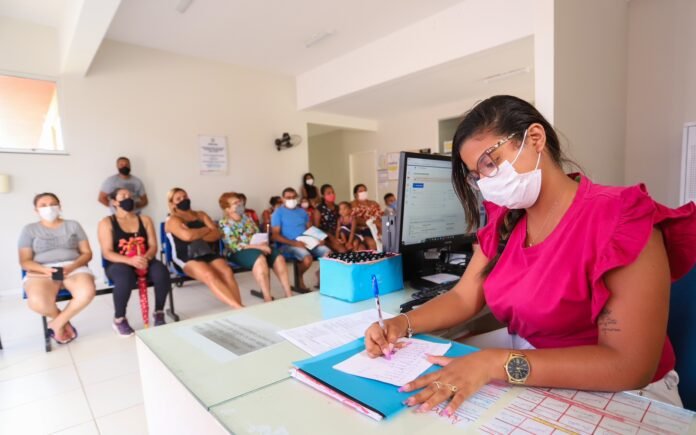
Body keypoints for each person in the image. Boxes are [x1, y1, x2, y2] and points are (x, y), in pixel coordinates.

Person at [365, 95, 696, 414]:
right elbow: (464, 297)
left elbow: (628, 365)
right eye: (477, 175)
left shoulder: (621, 217)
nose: (485, 182)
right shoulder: (506, 221)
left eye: (490, 163)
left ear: (535, 138)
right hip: (535, 359)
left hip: (628, 393)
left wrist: (493, 363)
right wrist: (401, 323)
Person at [18, 193, 96, 344]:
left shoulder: (73, 225)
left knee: (87, 293)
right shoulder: (29, 230)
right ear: (36, 210)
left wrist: (72, 266)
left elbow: (87, 253)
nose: (49, 208)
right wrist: (44, 270)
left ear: (60, 206)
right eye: (43, 205)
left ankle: (56, 324)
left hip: (73, 267)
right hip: (42, 271)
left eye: (53, 204)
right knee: (36, 302)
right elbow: (25, 261)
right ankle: (62, 322)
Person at [98, 188, 172, 336]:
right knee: (125, 278)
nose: (128, 198)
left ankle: (159, 312)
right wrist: (130, 261)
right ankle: (119, 319)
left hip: (145, 259)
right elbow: (107, 252)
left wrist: (146, 258)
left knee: (162, 272)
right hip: (118, 263)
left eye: (130, 196)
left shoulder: (145, 220)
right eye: (124, 196)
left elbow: (153, 246)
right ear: (114, 202)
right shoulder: (107, 223)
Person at [165, 188, 243, 309]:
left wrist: (195, 233)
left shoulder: (200, 214)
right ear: (172, 204)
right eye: (178, 199)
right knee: (209, 275)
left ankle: (238, 307)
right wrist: (207, 229)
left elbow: (216, 234)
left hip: (206, 252)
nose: (183, 200)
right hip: (185, 256)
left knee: (227, 271)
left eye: (185, 197)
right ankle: (239, 308)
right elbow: (187, 236)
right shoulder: (172, 220)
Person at [218, 192, 293, 302]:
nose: (239, 204)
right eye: (235, 203)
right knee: (260, 259)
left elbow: (257, 233)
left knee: (278, 257)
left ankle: (288, 294)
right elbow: (233, 245)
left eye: (239, 202)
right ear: (227, 209)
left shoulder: (246, 218)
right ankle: (267, 298)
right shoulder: (224, 222)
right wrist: (259, 247)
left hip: (257, 247)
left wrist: (263, 243)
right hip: (238, 251)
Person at [271, 187, 331, 291]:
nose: (291, 199)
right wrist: (294, 243)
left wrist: (319, 238)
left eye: (294, 197)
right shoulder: (278, 213)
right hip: (287, 244)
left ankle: (320, 274)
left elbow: (310, 228)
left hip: (306, 241)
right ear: (283, 199)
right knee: (307, 259)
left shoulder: (302, 211)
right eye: (288, 197)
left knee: (328, 254)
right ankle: (299, 277)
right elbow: (275, 235)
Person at [312, 184, 347, 253]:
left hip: (340, 234)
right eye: (329, 193)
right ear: (323, 195)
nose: (332, 194)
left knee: (354, 247)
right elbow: (316, 228)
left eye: (333, 192)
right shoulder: (319, 209)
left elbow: (343, 222)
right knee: (342, 250)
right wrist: (330, 236)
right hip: (326, 237)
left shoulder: (338, 208)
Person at [350, 184, 383, 250]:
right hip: (363, 230)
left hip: (377, 228)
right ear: (355, 194)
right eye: (360, 191)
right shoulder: (352, 205)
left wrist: (377, 224)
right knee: (372, 244)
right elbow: (354, 219)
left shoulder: (374, 203)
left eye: (365, 190)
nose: (363, 192)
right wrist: (369, 222)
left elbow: (380, 217)